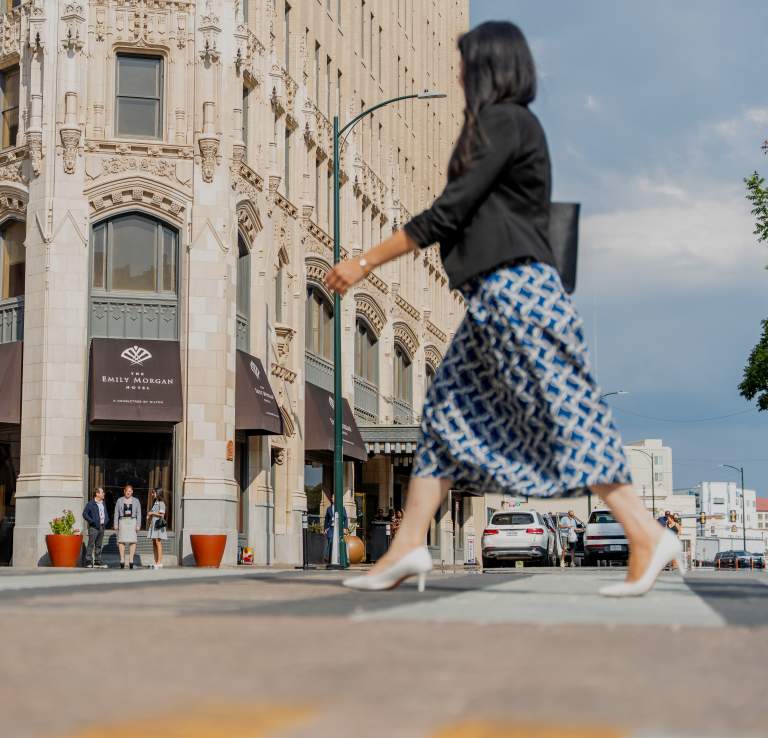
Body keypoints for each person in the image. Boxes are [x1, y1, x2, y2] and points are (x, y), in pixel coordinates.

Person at [327, 21, 683, 597]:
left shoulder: (506, 122)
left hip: (518, 293)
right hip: (494, 297)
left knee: (567, 412)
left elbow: (450, 211)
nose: (458, 74)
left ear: (489, 65)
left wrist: (364, 262)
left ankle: (644, 532)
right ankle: (409, 544)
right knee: (444, 418)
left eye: (466, 63)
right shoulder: (503, 127)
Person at [113, 484, 141, 569]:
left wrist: (138, 525)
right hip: (123, 521)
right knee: (121, 540)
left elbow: (139, 513)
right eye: (127, 491)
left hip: (133, 521)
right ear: (124, 491)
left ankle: (131, 560)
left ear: (132, 492)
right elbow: (116, 513)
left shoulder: (136, 500)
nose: (128, 493)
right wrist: (115, 524)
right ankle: (122, 560)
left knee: (133, 541)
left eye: (130, 491)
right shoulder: (119, 500)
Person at [82, 487, 109, 568]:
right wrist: (92, 521)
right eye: (102, 492)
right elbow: (85, 514)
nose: (103, 494)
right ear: (97, 494)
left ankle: (97, 561)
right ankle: (88, 561)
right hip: (94, 527)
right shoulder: (91, 503)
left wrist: (106, 520)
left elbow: (105, 513)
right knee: (91, 544)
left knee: (99, 545)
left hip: (102, 526)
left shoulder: (103, 503)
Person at [323, 495, 349, 564]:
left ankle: (340, 558)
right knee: (330, 541)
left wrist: (345, 528)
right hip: (331, 528)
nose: (332, 498)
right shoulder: (329, 508)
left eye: (334, 497)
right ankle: (328, 558)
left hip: (339, 528)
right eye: (332, 497)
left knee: (339, 542)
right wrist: (325, 528)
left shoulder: (342, 508)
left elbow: (345, 518)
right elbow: (326, 519)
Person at [146, 488, 167, 569]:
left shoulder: (161, 503)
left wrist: (151, 513)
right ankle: (156, 562)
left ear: (158, 493)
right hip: (154, 524)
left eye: (153, 493)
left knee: (158, 542)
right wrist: (149, 514)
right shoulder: (156, 502)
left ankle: (159, 562)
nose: (152, 494)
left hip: (158, 524)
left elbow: (162, 514)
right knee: (154, 543)